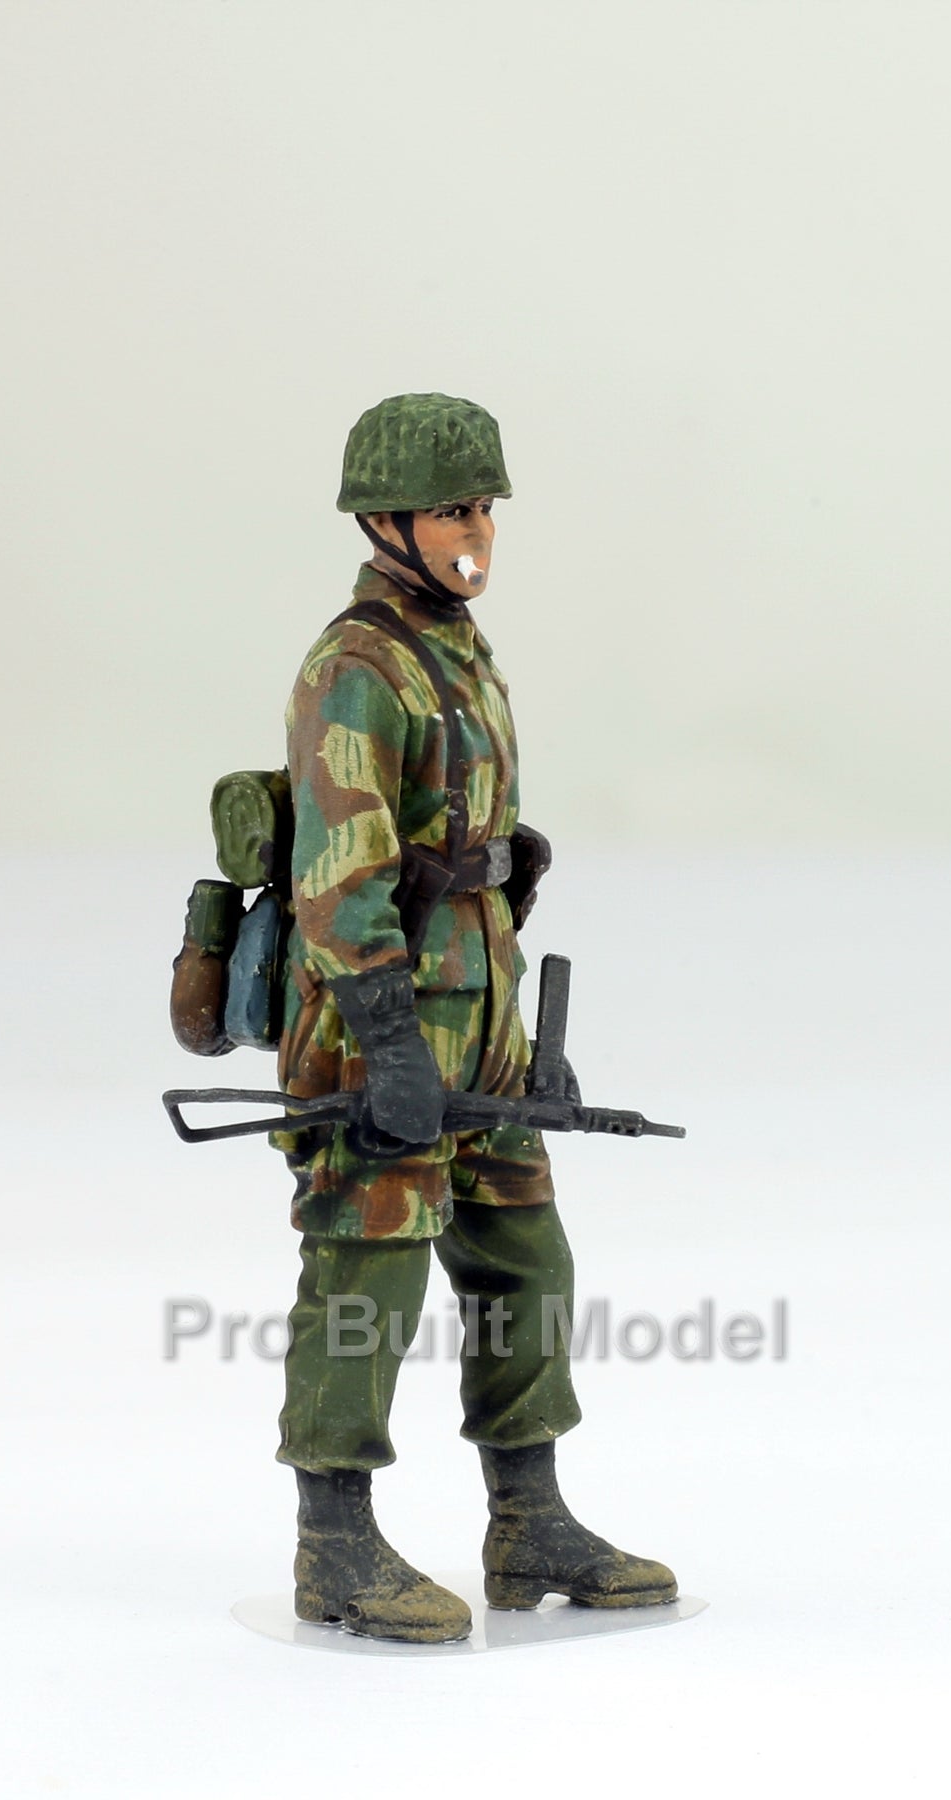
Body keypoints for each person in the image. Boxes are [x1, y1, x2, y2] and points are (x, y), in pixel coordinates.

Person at [270, 393, 675, 1643]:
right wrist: (388, 1041)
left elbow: (462, 837)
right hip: (382, 1022)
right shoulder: (357, 667)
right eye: (455, 509)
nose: (479, 531)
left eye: (485, 507)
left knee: (527, 1261)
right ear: (387, 520)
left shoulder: (456, 652)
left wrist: (521, 987)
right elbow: (339, 875)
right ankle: (333, 1545)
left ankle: (529, 1520)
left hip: (481, 1015)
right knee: (368, 1273)